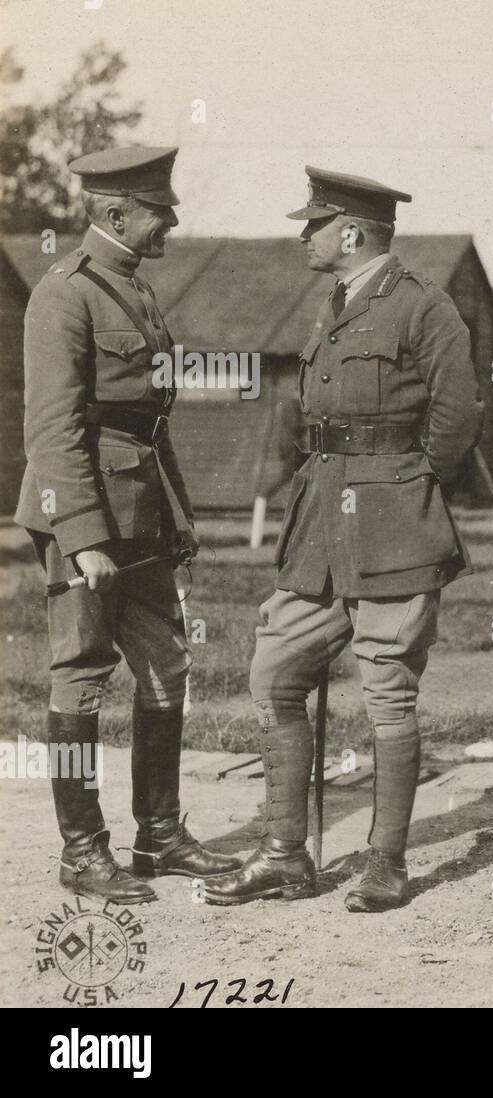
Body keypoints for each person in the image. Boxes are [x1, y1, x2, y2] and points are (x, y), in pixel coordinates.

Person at [204, 167, 483, 912]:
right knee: (275, 671)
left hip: (393, 524)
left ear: (352, 233)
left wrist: (405, 487)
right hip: (321, 524)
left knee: (387, 688)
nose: (304, 236)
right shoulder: (333, 306)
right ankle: (284, 854)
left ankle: (386, 863)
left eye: (314, 224)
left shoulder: (425, 309)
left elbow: (457, 420)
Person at [15, 145, 240, 901]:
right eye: (158, 209)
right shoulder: (63, 294)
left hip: (141, 517)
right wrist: (80, 539)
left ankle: (161, 835)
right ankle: (82, 852)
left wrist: (177, 513)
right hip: (85, 515)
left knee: (166, 666)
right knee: (81, 675)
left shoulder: (135, 292)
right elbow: (52, 431)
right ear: (115, 213)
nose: (171, 219)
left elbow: (151, 421)